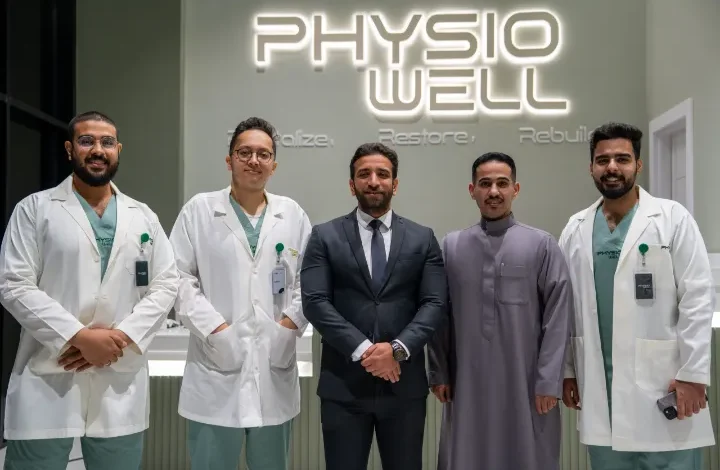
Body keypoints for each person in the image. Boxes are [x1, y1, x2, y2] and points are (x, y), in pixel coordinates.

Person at [0, 111, 179, 469]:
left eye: (107, 142)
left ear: (118, 150)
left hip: (118, 373)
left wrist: (120, 338)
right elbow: (15, 284)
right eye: (87, 141)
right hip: (48, 371)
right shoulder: (35, 209)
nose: (98, 150)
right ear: (70, 149)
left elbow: (166, 283)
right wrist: (78, 337)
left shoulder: (143, 216)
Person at [559, 122, 715, 470]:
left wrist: (693, 373)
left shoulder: (672, 218)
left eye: (622, 159)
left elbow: (697, 299)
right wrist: (568, 369)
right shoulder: (575, 228)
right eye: (602, 160)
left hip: (664, 385)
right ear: (591, 167)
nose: (612, 167)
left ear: (638, 165)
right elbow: (565, 308)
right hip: (599, 389)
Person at [169, 117, 312, 470]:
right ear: (229, 160)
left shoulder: (292, 214)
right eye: (244, 152)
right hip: (215, 367)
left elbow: (310, 282)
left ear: (273, 165)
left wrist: (287, 326)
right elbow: (177, 278)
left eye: (264, 154)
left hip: (274, 365)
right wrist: (216, 329)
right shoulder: (199, 211)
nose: (254, 160)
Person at [300, 142, 447, 470]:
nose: (373, 181)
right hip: (343, 387)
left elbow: (434, 303)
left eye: (382, 174)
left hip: (403, 386)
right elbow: (315, 302)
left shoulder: (422, 238)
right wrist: (367, 351)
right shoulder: (325, 236)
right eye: (364, 174)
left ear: (395, 184)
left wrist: (396, 350)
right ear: (352, 184)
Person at [427, 152, 573, 470]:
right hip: (466, 382)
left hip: (526, 382)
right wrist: (439, 372)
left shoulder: (542, 245)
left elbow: (558, 317)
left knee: (528, 455)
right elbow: (437, 315)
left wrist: (548, 381)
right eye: (485, 184)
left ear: (515, 189)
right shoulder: (451, 246)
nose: (493, 191)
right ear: (472, 190)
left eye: (502, 183)